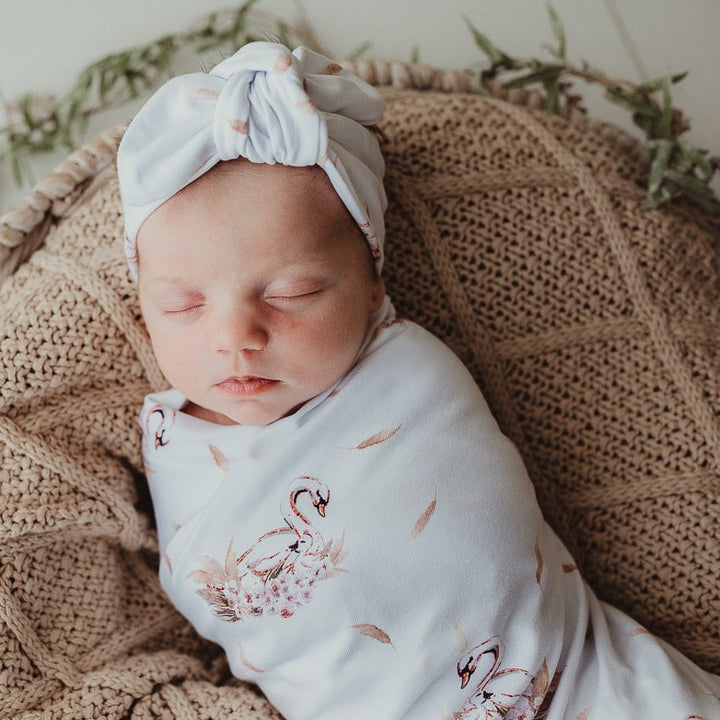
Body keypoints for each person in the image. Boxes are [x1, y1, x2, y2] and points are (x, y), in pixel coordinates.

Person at [117, 41, 720, 720]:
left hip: (586, 679)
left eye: (292, 292)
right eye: (183, 306)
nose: (234, 336)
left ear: (374, 287)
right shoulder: (171, 448)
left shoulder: (406, 374)